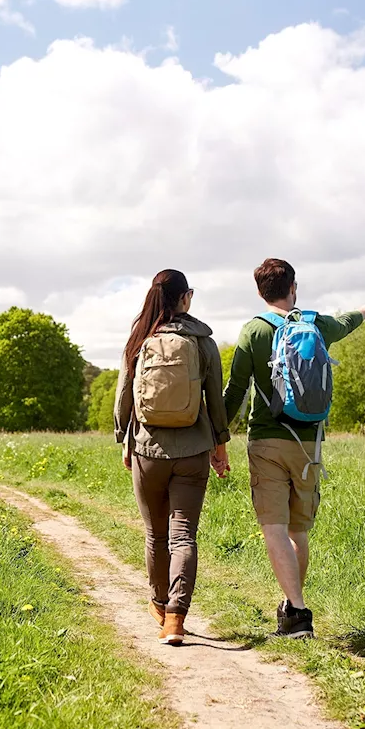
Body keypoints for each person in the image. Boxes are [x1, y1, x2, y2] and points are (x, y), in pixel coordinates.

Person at [221, 258, 365, 639]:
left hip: (267, 440)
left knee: (273, 527)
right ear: (294, 287)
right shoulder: (316, 324)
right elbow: (345, 321)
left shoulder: (254, 331)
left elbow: (235, 390)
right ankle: (293, 606)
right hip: (309, 444)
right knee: (297, 531)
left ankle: (299, 614)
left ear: (260, 292)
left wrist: (216, 436)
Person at [115, 269, 231, 646]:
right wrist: (220, 446)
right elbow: (215, 398)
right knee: (184, 536)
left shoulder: (138, 340)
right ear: (186, 297)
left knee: (156, 535)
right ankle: (176, 620)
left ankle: (160, 604)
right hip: (193, 449)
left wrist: (124, 440)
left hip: (147, 447)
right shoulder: (202, 342)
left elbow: (123, 398)